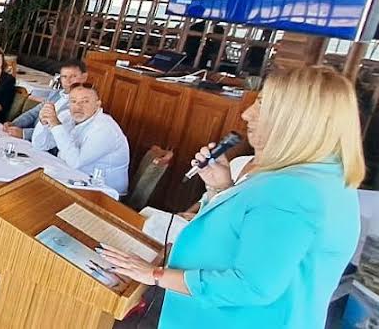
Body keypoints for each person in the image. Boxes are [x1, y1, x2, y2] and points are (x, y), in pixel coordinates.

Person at [100, 66, 362, 328]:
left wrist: (154, 275)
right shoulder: (323, 174)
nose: (247, 114)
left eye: (262, 105)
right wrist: (221, 189)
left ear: (296, 120)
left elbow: (251, 285)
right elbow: (256, 233)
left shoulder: (294, 190)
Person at [33, 85, 129, 194]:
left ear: (97, 105)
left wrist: (55, 125)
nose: (78, 107)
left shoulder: (105, 128)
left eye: (85, 101)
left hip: (104, 192)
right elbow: (39, 145)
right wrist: (44, 123)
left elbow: (75, 162)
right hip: (71, 178)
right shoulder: (67, 116)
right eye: (73, 101)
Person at [4, 61, 88, 140]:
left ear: (84, 77)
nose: (68, 81)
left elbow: (60, 131)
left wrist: (24, 134)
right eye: (64, 76)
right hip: (33, 138)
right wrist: (14, 124)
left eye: (73, 76)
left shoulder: (83, 103)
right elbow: (33, 113)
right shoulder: (56, 94)